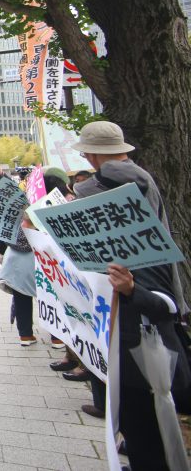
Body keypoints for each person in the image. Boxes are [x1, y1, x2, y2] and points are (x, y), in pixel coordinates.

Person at [71, 121, 190, 469]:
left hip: (139, 312)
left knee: (142, 408)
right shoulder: (142, 177)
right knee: (145, 409)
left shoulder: (115, 181)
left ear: (92, 154)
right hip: (146, 301)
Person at [0, 211, 37, 346]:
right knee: (50, 300)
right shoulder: (44, 231)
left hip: (16, 270)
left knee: (22, 298)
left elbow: (2, 240)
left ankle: (25, 335)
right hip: (41, 269)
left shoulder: (14, 228)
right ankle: (57, 338)